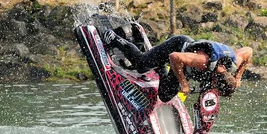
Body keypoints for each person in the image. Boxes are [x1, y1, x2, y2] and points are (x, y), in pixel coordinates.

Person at [102, 28, 253, 102]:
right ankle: (114, 38)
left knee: (165, 96)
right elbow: (175, 57)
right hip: (177, 47)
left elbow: (248, 51)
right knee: (141, 64)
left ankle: (160, 68)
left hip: (185, 63)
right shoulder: (203, 62)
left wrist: (238, 77)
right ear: (216, 81)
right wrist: (184, 83)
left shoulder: (232, 65)